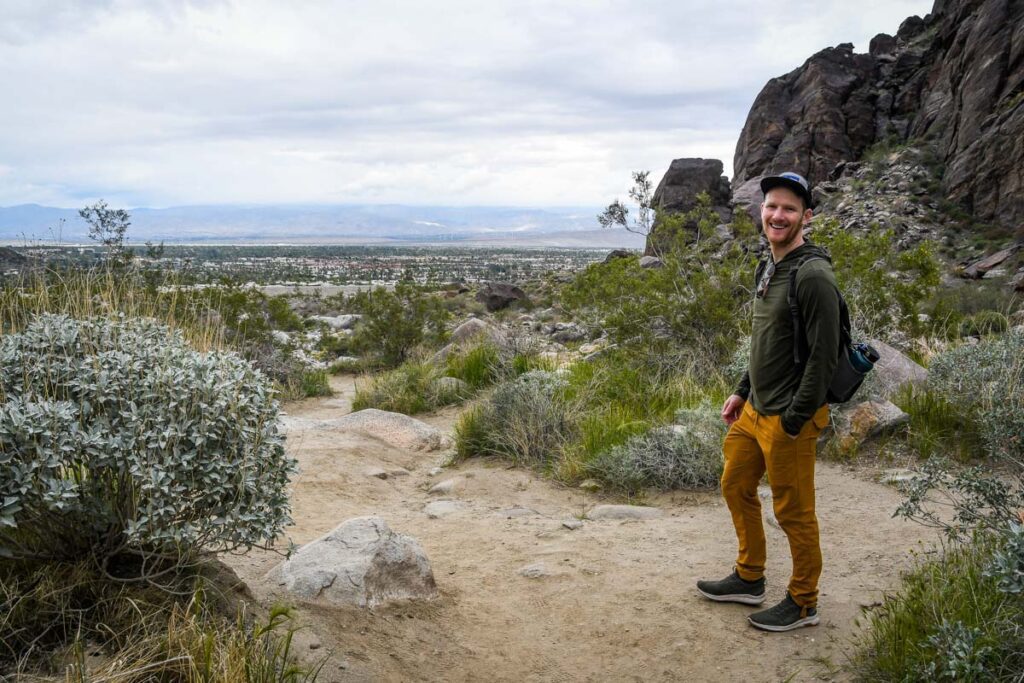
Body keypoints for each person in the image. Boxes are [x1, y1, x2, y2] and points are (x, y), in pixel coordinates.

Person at [696, 171, 840, 632]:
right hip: (755, 410)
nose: (779, 215)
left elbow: (824, 357)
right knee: (735, 484)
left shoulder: (813, 274)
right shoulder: (768, 266)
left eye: (790, 209)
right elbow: (763, 340)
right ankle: (749, 576)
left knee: (793, 513)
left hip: (788, 418)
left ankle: (803, 601)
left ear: (807, 217)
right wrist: (742, 389)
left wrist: (795, 420)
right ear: (762, 211)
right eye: (772, 206)